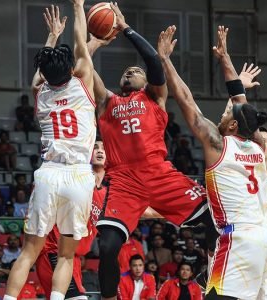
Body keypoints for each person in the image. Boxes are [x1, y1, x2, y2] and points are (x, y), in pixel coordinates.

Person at [87, 4, 208, 299]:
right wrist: (94, 43)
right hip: (124, 182)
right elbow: (82, 67)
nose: (131, 71)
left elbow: (153, 62)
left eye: (135, 71)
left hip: (158, 173)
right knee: (108, 247)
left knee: (216, 216)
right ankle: (109, 297)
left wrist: (125, 27)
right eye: (127, 71)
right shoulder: (107, 102)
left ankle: (213, 273)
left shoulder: (154, 96)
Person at [158, 25, 267, 299]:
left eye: (228, 113)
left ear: (234, 123)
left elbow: (187, 100)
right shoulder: (259, 146)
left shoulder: (218, 145)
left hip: (238, 241)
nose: (224, 112)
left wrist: (165, 60)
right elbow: (239, 99)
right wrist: (225, 58)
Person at [3, 2, 96, 300]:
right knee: (67, 255)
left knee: (30, 251)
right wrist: (79, 7)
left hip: (49, 173)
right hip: (79, 175)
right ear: (71, 70)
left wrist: (52, 36)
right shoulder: (83, 84)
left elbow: (38, 74)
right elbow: (82, 42)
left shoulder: (40, 94)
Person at [36, 137, 107, 300]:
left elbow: (139, 210)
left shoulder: (107, 194)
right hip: (54, 251)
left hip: (72, 259)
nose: (100, 150)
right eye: (95, 147)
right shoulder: (75, 176)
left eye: (104, 148)